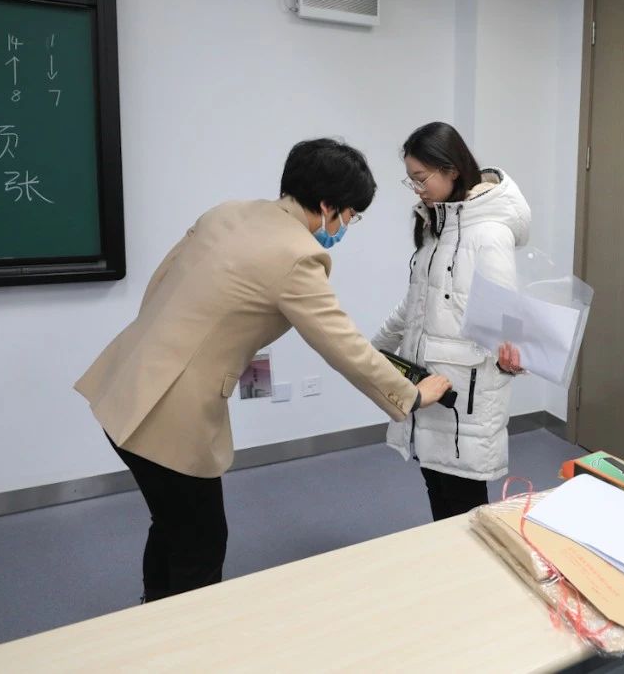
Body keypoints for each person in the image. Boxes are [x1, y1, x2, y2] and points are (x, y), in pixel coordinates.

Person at [75, 138, 452, 602]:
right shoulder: (298, 255)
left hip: (126, 379)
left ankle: (152, 612)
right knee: (200, 540)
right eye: (351, 215)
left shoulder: (228, 213)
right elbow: (345, 347)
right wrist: (411, 394)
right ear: (327, 206)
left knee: (171, 521)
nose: (346, 227)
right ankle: (183, 633)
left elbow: (163, 283)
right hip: (166, 414)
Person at [372, 122, 531, 521]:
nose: (417, 189)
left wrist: (514, 356)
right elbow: (415, 304)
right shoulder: (438, 227)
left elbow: (507, 319)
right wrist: (376, 346)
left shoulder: (488, 233)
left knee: (465, 507)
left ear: (452, 170)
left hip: (464, 398)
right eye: (411, 180)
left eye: (421, 178)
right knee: (438, 490)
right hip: (429, 386)